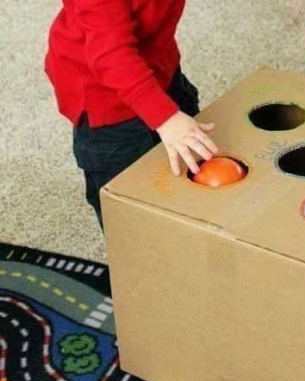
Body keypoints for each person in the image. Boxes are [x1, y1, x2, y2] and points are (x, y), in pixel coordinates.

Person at [44, 0, 218, 227]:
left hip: (156, 61)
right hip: (105, 98)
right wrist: (166, 118)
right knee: (127, 201)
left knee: (192, 156)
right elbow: (111, 57)